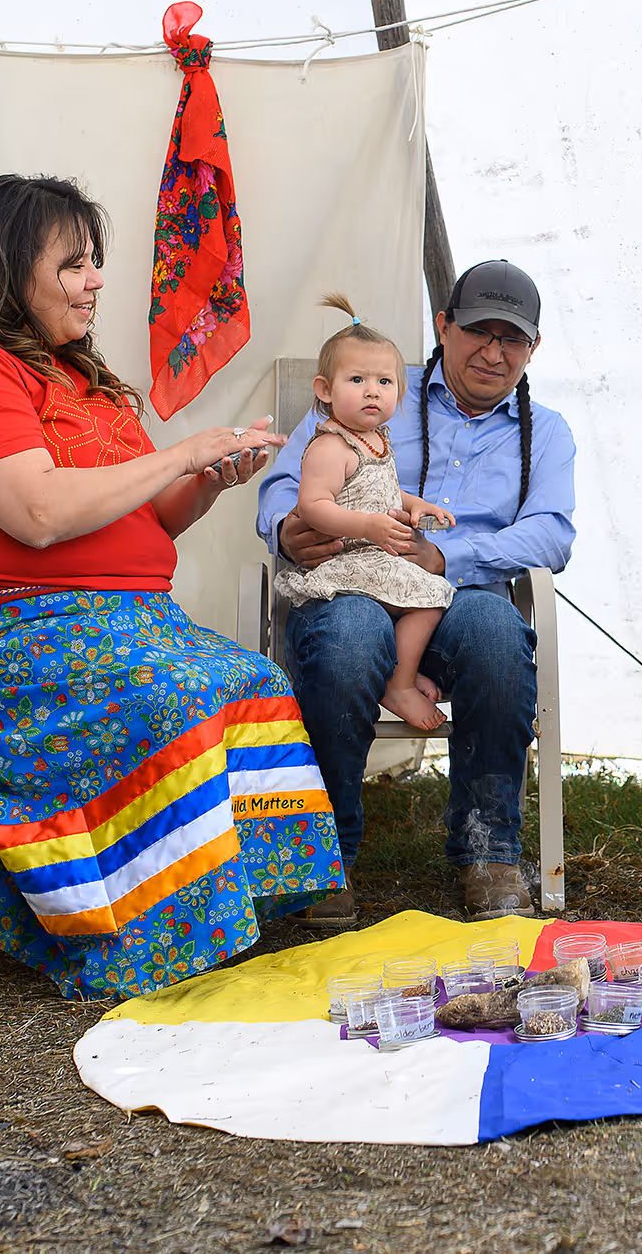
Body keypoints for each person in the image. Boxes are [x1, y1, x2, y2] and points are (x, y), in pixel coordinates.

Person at [0, 173, 345, 1001]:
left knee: (252, 682)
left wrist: (210, 479)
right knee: (170, 695)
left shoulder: (81, 378)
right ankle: (132, 939)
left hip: (104, 618)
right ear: (10, 270)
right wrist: (182, 452)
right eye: (75, 265)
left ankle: (231, 912)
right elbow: (39, 513)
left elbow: (145, 522)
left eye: (95, 263)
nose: (96, 282)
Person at [255, 260, 576, 924]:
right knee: (347, 636)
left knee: (495, 632)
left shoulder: (544, 431)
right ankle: (324, 857)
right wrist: (290, 530)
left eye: (510, 339)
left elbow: (552, 534)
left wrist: (448, 553)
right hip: (354, 583)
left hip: (460, 596)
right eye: (476, 332)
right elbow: (284, 490)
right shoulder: (371, 388)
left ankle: (488, 849)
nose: (491, 351)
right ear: (443, 326)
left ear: (532, 349)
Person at [275, 294, 458, 731]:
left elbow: (386, 491)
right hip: (350, 562)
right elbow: (312, 506)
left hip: (377, 557)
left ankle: (399, 677)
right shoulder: (330, 445)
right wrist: (369, 527)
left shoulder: (377, 439)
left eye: (384, 382)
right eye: (357, 379)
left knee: (429, 597)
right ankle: (399, 684)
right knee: (428, 598)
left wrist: (417, 506)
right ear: (324, 390)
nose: (372, 391)